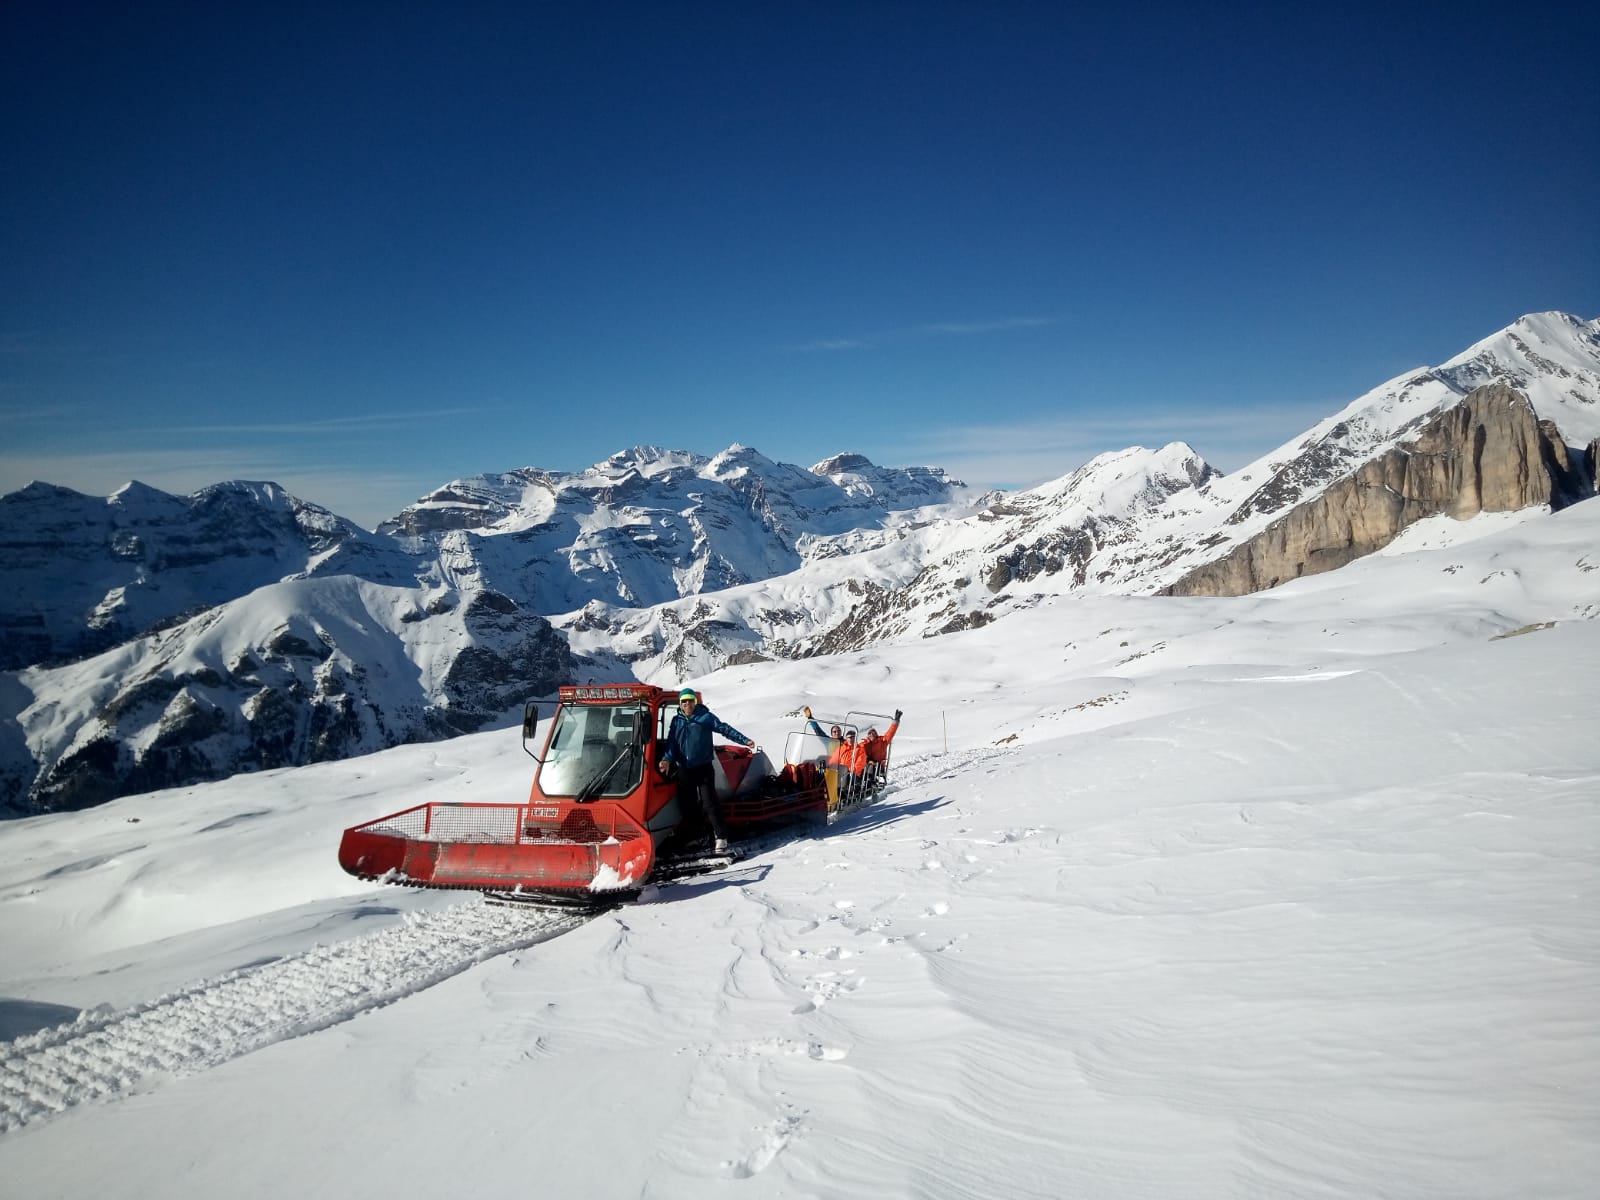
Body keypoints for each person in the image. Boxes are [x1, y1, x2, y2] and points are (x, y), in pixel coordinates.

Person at [658, 688, 755, 854]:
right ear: (680, 704)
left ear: (695, 702)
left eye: (689, 700)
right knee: (688, 806)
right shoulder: (677, 721)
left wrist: (744, 740)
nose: (687, 704)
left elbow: (724, 729)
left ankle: (721, 837)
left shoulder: (705, 717)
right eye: (684, 701)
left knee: (710, 803)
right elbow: (672, 744)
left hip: (703, 769)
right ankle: (698, 836)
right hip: (685, 770)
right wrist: (666, 759)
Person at [861, 709, 903, 790]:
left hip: (879, 764)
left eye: (873, 733)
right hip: (867, 763)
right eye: (870, 733)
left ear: (876, 734)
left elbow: (890, 732)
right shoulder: (866, 743)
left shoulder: (882, 741)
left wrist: (896, 721)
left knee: (871, 765)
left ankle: (871, 782)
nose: (872, 735)